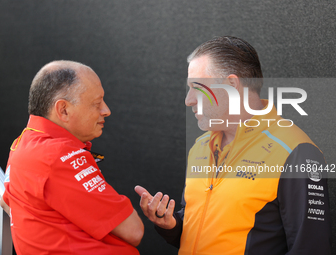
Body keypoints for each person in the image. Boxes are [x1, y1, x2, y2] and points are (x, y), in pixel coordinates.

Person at [135, 36, 332, 254]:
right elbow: (202, 228)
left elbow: (311, 248)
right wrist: (171, 225)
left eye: (197, 87)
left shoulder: (297, 152)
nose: (188, 99)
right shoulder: (201, 146)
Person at [1, 60, 144, 254]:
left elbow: (8, 204)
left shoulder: (22, 144)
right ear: (63, 110)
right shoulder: (59, 155)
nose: (106, 110)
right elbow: (133, 230)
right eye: (96, 103)